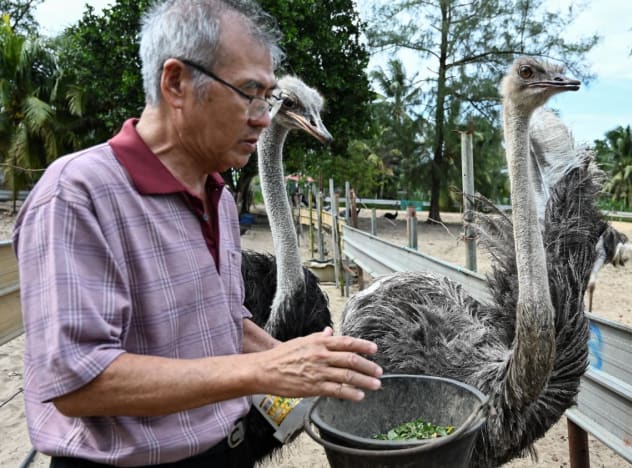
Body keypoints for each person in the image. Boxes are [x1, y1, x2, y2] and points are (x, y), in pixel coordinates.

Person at [12, 0, 382, 466]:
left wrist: (308, 363)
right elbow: (77, 382)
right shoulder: (79, 194)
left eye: (267, 98)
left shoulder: (219, 197)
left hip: (225, 449)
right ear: (176, 83)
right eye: (249, 92)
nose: (264, 117)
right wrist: (264, 367)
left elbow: (222, 321)